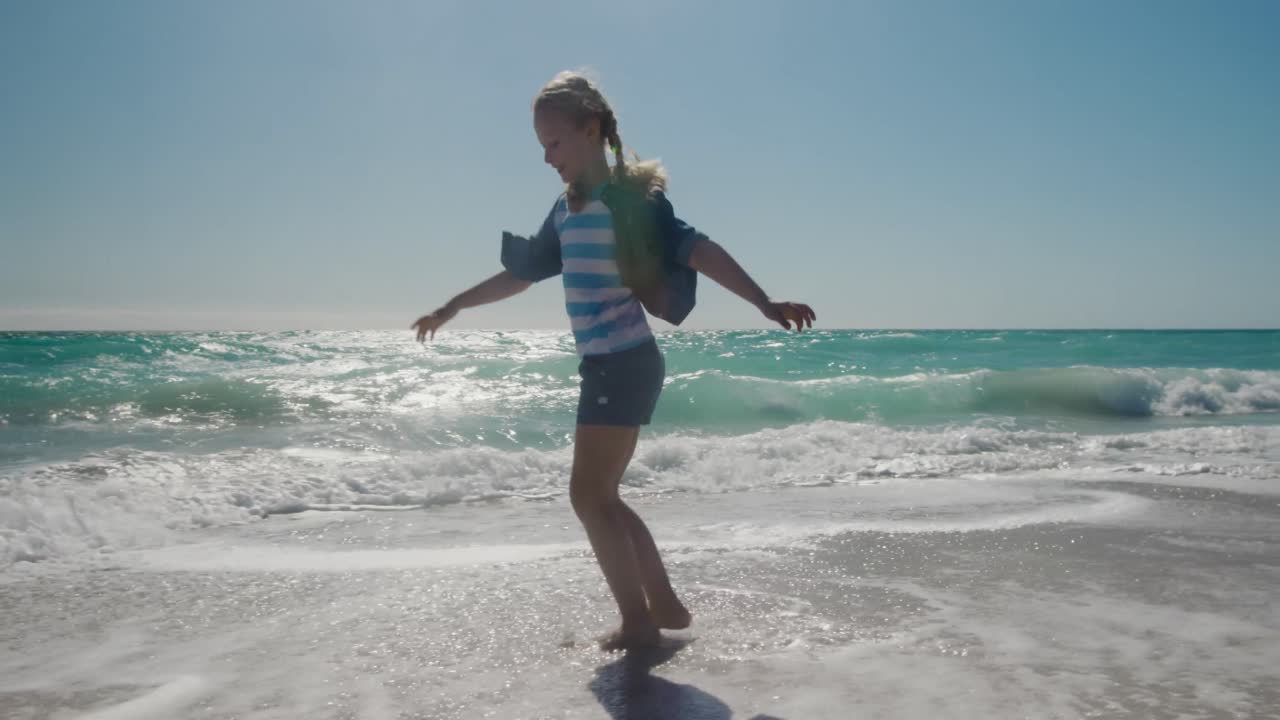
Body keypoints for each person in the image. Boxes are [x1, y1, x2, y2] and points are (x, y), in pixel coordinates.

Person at [412, 71, 816, 650]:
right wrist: (453, 305)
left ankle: (639, 620)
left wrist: (763, 301)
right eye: (542, 147)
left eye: (555, 143)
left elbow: (698, 249)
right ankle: (663, 604)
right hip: (611, 364)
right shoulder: (567, 209)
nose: (548, 158)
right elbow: (521, 273)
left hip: (623, 362)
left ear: (591, 128)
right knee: (602, 496)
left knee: (587, 496)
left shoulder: (631, 200)